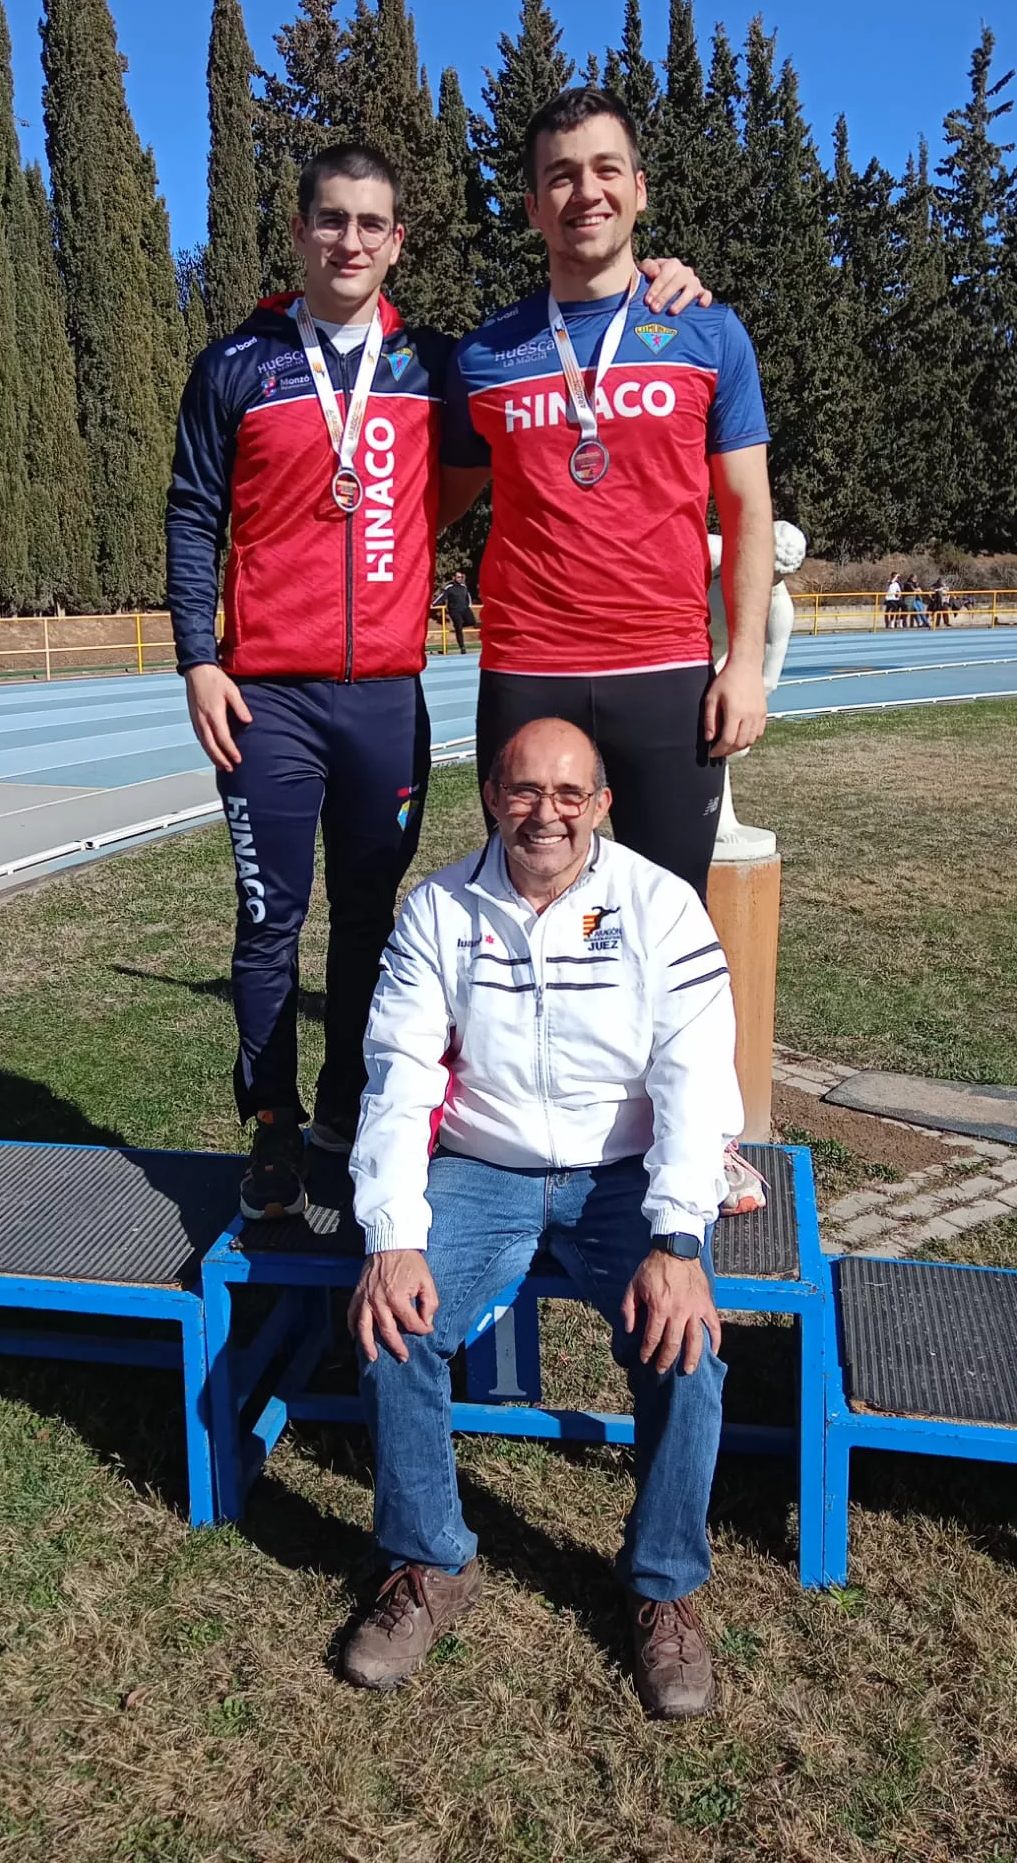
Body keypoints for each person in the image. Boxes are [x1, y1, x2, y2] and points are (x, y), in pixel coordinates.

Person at [166, 140, 709, 1217]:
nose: (351, 241)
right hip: (266, 695)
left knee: (376, 916)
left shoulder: (437, 366)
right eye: (332, 220)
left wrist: (664, 279)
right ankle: (271, 1119)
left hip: (384, 697)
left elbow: (555, 349)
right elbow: (193, 512)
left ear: (397, 240)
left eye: (372, 224)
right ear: (300, 231)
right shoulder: (237, 364)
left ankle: (343, 1103)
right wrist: (198, 655)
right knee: (269, 917)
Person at [342, 717, 741, 1719]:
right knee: (397, 1325)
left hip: (623, 1173)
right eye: (524, 790)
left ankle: (665, 1585)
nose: (545, 812)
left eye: (570, 793)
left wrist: (679, 1236)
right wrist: (392, 1234)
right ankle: (429, 1561)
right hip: (487, 1164)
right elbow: (396, 1075)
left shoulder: (661, 904)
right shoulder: (436, 907)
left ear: (602, 804)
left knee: (686, 1342)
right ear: (489, 795)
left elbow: (696, 1079)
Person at [439, 85, 775, 906]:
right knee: (524, 911)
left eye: (604, 169)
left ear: (639, 187)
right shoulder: (484, 355)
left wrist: (744, 665)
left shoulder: (708, 332)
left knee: (669, 918)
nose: (584, 192)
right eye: (560, 176)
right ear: (531, 205)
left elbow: (748, 508)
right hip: (526, 670)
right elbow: (427, 508)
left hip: (665, 673)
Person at [432, 569, 478, 653]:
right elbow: (442, 597)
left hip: (464, 609)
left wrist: (469, 605)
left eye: (461, 577)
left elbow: (468, 596)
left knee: (472, 621)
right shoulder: (449, 587)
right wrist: (433, 604)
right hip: (454, 610)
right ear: (454, 578)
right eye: (458, 577)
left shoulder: (464, 587)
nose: (460, 579)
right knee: (459, 629)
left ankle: (458, 626)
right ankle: (462, 647)